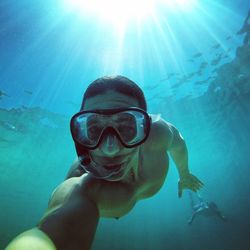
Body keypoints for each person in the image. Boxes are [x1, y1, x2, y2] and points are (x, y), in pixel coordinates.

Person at [6, 76, 203, 250]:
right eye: (93, 129)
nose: (110, 148)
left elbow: (179, 145)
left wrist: (184, 174)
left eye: (126, 127)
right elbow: (57, 226)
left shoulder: (159, 133)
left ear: (145, 129)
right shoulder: (82, 185)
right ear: (79, 134)